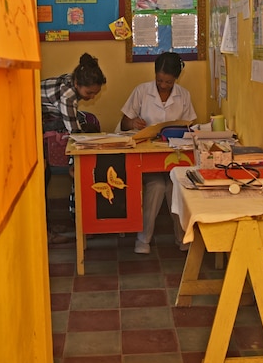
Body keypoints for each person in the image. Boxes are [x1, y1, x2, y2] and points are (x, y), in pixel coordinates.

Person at [119, 52, 197, 253]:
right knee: (157, 186)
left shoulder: (184, 95)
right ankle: (143, 239)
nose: (163, 85)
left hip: (173, 154)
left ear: (176, 79)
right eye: (160, 80)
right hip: (147, 155)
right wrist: (133, 122)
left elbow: (191, 126)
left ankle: (182, 237)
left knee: (175, 186)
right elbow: (124, 122)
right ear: (154, 75)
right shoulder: (142, 91)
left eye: (168, 82)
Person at [41, 53, 106, 243]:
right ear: (78, 84)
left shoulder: (71, 83)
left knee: (45, 177)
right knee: (41, 180)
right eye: (89, 93)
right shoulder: (68, 95)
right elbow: (75, 134)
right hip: (23, 121)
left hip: (36, 121)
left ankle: (47, 226)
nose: (91, 97)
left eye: (95, 94)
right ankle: (45, 232)